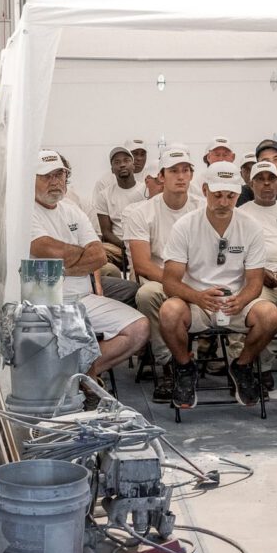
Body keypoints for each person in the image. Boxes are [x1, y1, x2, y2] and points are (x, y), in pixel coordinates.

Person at [160, 162, 277, 408]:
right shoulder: (185, 226)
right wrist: (198, 297)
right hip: (197, 302)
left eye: (230, 195)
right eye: (217, 195)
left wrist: (242, 300)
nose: (224, 202)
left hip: (235, 302)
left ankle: (243, 366)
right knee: (169, 311)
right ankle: (184, 367)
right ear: (204, 190)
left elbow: (255, 282)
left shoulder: (250, 227)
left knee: (269, 314)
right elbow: (170, 281)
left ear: (238, 194)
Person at [30, 151, 150, 398]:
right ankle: (80, 385)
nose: (55, 182)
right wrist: (80, 256)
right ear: (32, 179)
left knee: (139, 328)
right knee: (70, 337)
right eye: (47, 176)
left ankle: (86, 373)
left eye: (59, 175)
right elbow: (44, 248)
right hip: (48, 301)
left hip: (84, 297)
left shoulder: (71, 209)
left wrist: (64, 265)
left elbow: (99, 255)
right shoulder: (25, 212)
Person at [123, 148, 201, 402]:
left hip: (199, 279)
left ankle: (234, 367)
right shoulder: (142, 213)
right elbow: (143, 265)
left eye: (186, 170)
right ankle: (168, 364)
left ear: (192, 175)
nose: (181, 176)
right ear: (161, 177)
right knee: (147, 294)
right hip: (160, 280)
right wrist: (177, 286)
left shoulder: (202, 208)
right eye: (174, 171)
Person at [236, 160, 277, 382]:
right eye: (260, 180)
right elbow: (235, 253)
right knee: (261, 312)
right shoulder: (239, 214)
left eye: (271, 179)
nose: (266, 184)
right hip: (256, 278)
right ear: (251, 184)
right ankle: (262, 368)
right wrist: (258, 272)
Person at [95, 146, 146, 268]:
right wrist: (125, 245)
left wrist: (136, 246)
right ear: (112, 169)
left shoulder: (146, 190)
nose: (122, 165)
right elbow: (106, 232)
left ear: (133, 165)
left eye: (126, 160)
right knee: (97, 249)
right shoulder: (104, 195)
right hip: (118, 247)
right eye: (117, 162)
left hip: (144, 245)